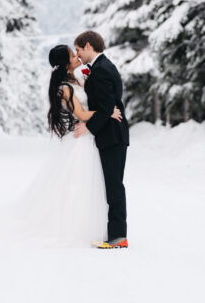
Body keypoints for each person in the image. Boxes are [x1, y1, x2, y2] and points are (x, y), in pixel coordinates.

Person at [36, 44, 122, 246]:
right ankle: (77, 227)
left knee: (93, 184)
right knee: (82, 184)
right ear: (65, 63)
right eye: (73, 55)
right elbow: (81, 114)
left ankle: (94, 227)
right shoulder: (64, 88)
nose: (77, 57)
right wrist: (107, 112)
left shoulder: (75, 79)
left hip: (89, 135)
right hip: (81, 141)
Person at [74, 31, 130, 249]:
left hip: (112, 135)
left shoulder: (102, 70)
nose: (78, 55)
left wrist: (88, 126)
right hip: (111, 133)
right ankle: (117, 234)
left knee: (114, 186)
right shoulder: (101, 67)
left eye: (78, 49)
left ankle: (118, 237)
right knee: (111, 185)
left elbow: (108, 106)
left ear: (88, 45)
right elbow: (109, 105)